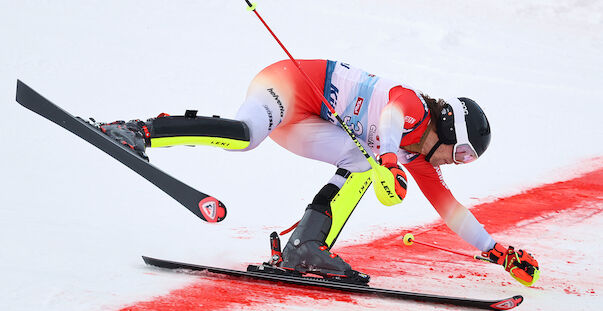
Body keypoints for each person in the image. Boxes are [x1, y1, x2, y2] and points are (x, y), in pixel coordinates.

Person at [99, 59, 540, 286]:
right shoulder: (414, 108)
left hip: (310, 124)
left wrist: (496, 250)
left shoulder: (418, 158)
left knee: (359, 165)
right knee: (248, 133)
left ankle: (306, 246)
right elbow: (389, 117)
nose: (454, 163)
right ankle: (136, 131)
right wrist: (387, 158)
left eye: (465, 161)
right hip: (288, 84)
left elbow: (450, 209)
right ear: (448, 127)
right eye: (460, 153)